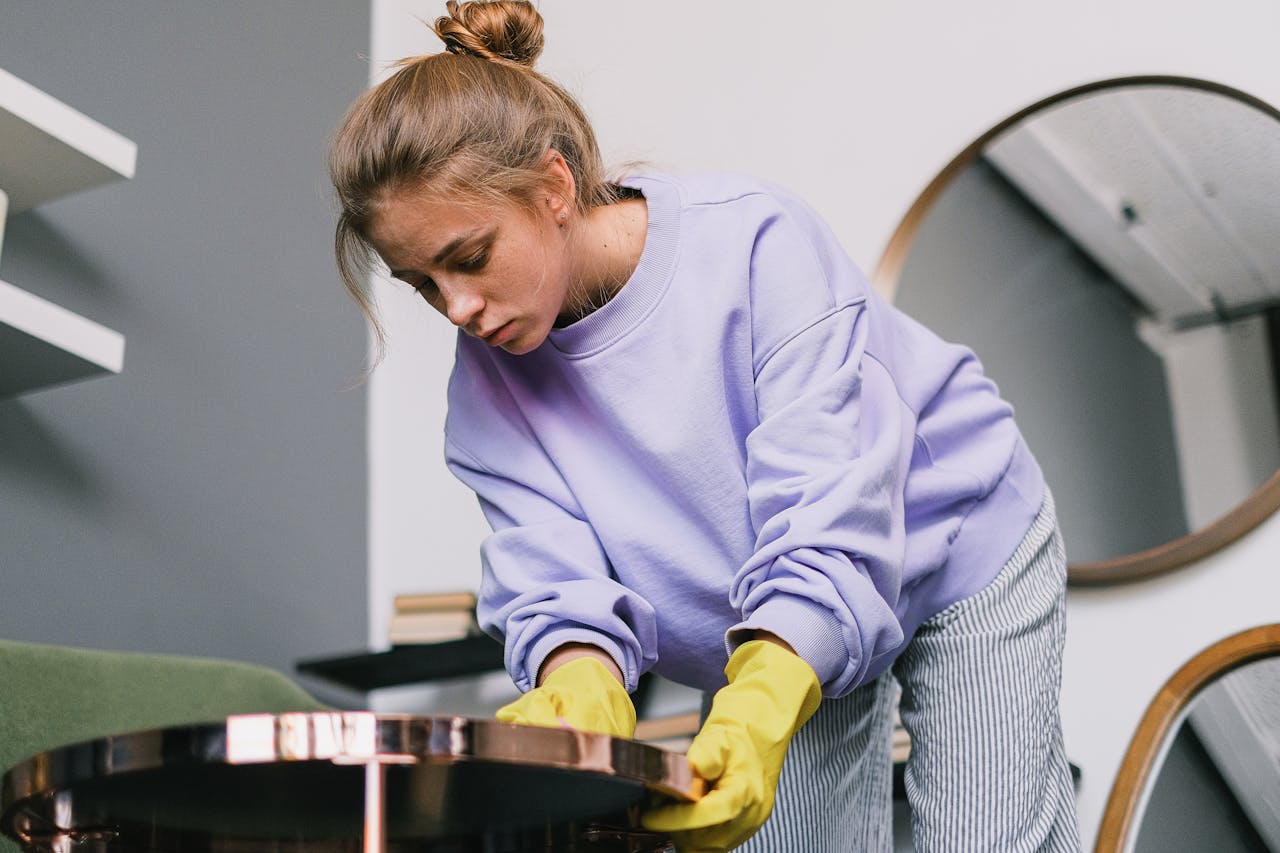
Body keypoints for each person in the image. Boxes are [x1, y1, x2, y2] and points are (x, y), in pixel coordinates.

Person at [328, 2, 1082, 850]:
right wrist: (579, 687)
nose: (457, 307)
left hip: (952, 544)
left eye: (468, 258)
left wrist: (759, 703)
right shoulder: (484, 393)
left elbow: (831, 518)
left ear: (554, 188)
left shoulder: (758, 244)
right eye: (422, 284)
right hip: (775, 611)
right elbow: (558, 588)